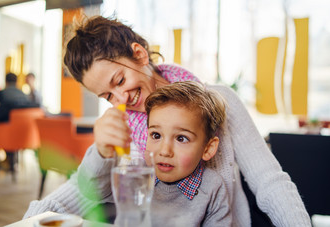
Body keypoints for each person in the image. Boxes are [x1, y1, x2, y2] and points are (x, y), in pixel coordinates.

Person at [24, 15, 311, 226]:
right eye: (108, 96)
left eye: (120, 80)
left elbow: (269, 181)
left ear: (139, 54)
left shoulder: (219, 102)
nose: (120, 100)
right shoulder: (125, 127)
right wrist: (33, 216)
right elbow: (85, 189)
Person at [78, 81, 231, 226]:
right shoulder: (136, 175)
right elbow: (92, 190)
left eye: (181, 138)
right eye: (156, 135)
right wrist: (102, 152)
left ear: (208, 148)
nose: (164, 151)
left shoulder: (213, 188)